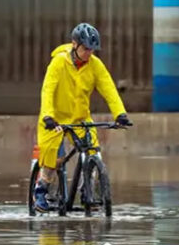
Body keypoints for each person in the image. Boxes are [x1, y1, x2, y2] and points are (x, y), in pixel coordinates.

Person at [34, 23, 132, 212]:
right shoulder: (59, 63)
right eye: (86, 49)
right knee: (53, 158)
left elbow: (109, 89)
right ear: (74, 44)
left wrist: (120, 114)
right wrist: (48, 116)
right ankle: (41, 191)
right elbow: (48, 90)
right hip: (54, 119)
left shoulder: (95, 65)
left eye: (92, 50)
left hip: (80, 119)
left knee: (93, 152)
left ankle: (87, 191)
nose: (89, 53)